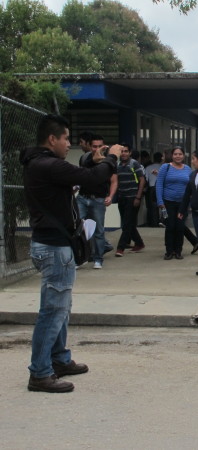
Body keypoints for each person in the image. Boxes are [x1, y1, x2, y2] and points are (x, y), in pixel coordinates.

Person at [20, 114, 121, 393]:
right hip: (54, 248)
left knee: (60, 309)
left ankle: (59, 359)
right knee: (52, 312)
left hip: (52, 246)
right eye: (65, 138)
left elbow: (82, 174)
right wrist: (111, 159)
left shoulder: (40, 164)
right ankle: (40, 373)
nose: (68, 144)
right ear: (52, 139)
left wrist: (95, 159)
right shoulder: (47, 165)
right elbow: (92, 182)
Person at [76, 134, 117, 269]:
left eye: (100, 146)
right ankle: (78, 258)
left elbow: (114, 181)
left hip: (98, 199)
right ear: (89, 146)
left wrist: (110, 196)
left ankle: (98, 259)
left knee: (98, 230)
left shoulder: (109, 161)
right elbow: (81, 175)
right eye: (94, 146)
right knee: (78, 228)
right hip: (82, 198)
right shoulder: (85, 158)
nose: (97, 149)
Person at [156, 146, 198, 260]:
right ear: (172, 155)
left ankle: (178, 251)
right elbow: (159, 184)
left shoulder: (187, 169)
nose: (178, 156)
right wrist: (160, 202)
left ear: (183, 156)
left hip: (182, 204)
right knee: (170, 226)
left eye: (180, 154)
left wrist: (191, 202)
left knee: (180, 227)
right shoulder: (165, 167)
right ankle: (169, 251)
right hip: (167, 202)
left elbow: (191, 187)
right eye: (175, 154)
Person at [115, 145, 146, 257]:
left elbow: (142, 180)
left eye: (126, 151)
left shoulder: (134, 164)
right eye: (122, 151)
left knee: (127, 223)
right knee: (128, 223)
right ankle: (139, 243)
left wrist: (138, 197)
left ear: (130, 153)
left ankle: (120, 248)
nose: (123, 153)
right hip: (121, 197)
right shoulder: (117, 165)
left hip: (132, 198)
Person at [144, 151, 163, 227]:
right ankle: (163, 221)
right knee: (163, 206)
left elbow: (146, 179)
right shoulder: (163, 167)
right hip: (162, 187)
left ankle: (154, 223)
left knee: (153, 207)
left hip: (152, 188)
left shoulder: (148, 167)